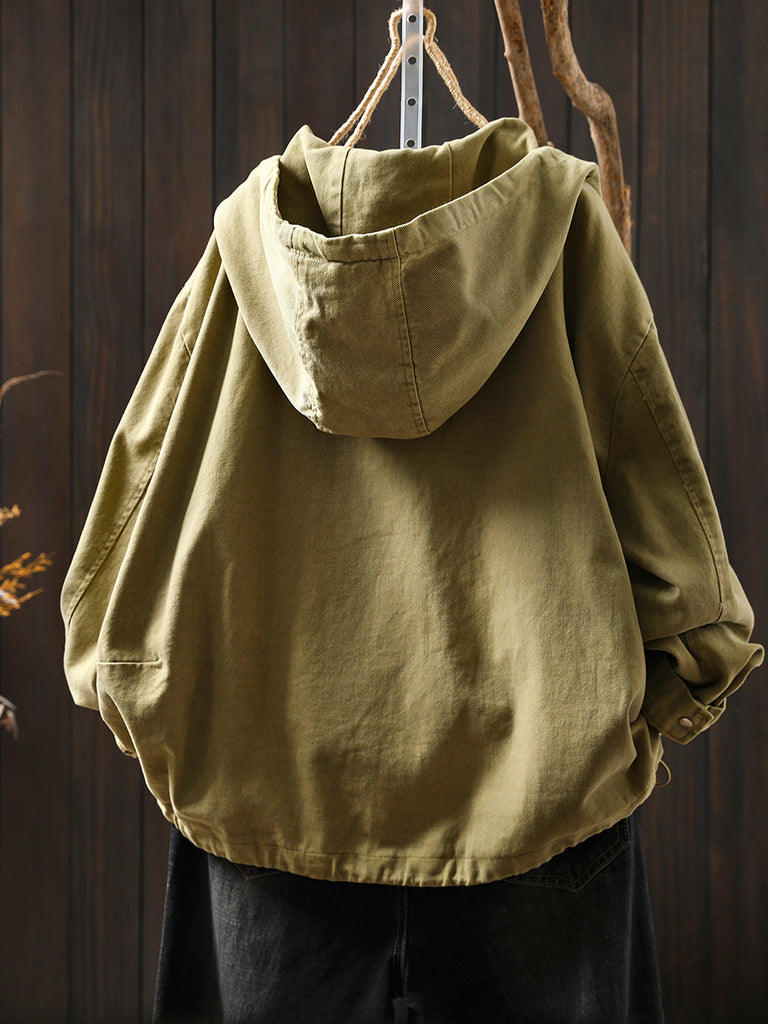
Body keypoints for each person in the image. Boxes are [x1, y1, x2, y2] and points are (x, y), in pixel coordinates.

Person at [62, 119, 762, 1023]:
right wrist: (662, 696)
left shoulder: (246, 243)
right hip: (541, 810)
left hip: (264, 809)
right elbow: (667, 517)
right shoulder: (560, 226)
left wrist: (138, 693)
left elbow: (123, 536)